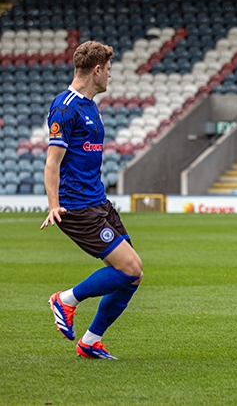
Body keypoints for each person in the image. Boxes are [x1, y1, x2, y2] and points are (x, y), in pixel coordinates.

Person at [41, 41, 143, 360]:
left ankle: (90, 342)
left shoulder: (90, 106)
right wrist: (54, 205)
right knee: (128, 268)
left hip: (98, 202)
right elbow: (52, 162)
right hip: (77, 206)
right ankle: (66, 299)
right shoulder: (65, 106)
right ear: (96, 70)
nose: (110, 76)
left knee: (133, 274)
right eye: (109, 70)